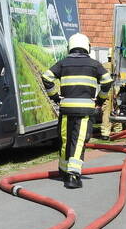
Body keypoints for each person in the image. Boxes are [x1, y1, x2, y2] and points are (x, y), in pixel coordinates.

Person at [41, 33, 113, 189]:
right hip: (85, 110)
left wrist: (55, 97)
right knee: (78, 141)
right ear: (87, 47)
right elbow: (107, 81)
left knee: (65, 139)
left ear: (70, 47)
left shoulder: (63, 63)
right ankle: (73, 176)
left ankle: (63, 169)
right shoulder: (94, 65)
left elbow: (46, 77)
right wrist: (100, 100)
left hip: (66, 108)